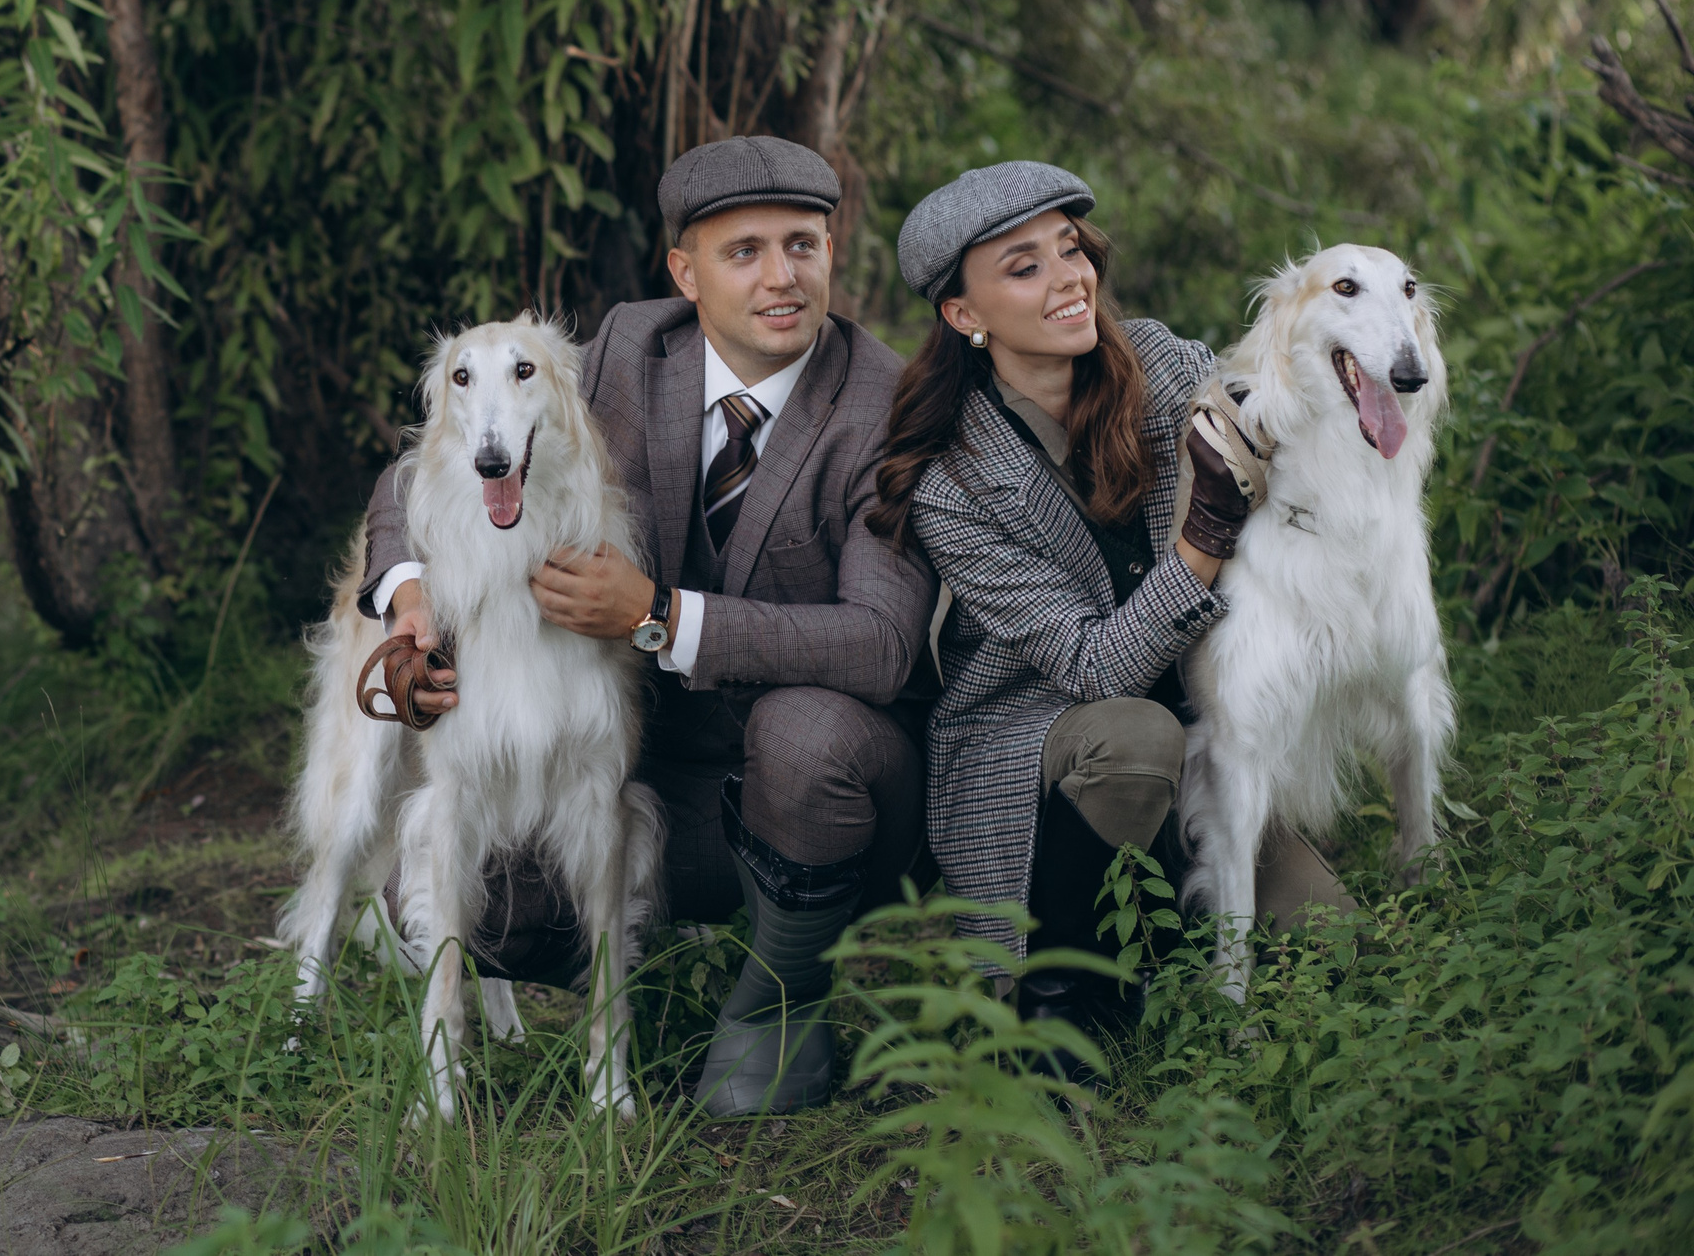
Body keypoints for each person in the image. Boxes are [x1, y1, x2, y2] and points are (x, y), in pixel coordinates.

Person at [359, 136, 937, 1116]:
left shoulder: (883, 401)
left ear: (834, 251)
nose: (781, 277)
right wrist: (407, 590)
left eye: (803, 245)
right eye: (743, 251)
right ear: (686, 271)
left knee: (809, 733)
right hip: (642, 778)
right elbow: (437, 457)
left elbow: (879, 644)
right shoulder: (632, 346)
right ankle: (623, 990)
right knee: (468, 879)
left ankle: (782, 1000)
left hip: (814, 794)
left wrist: (664, 617)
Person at [868, 160, 1351, 1066]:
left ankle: (1160, 932)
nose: (1069, 278)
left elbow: (1281, 430)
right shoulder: (954, 480)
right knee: (1133, 732)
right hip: (1037, 739)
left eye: (1070, 248)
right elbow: (1094, 667)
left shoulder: (1162, 364)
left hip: (1199, 725)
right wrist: (1206, 531)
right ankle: (1051, 1009)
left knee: (1335, 942)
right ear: (963, 315)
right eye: (1025, 267)